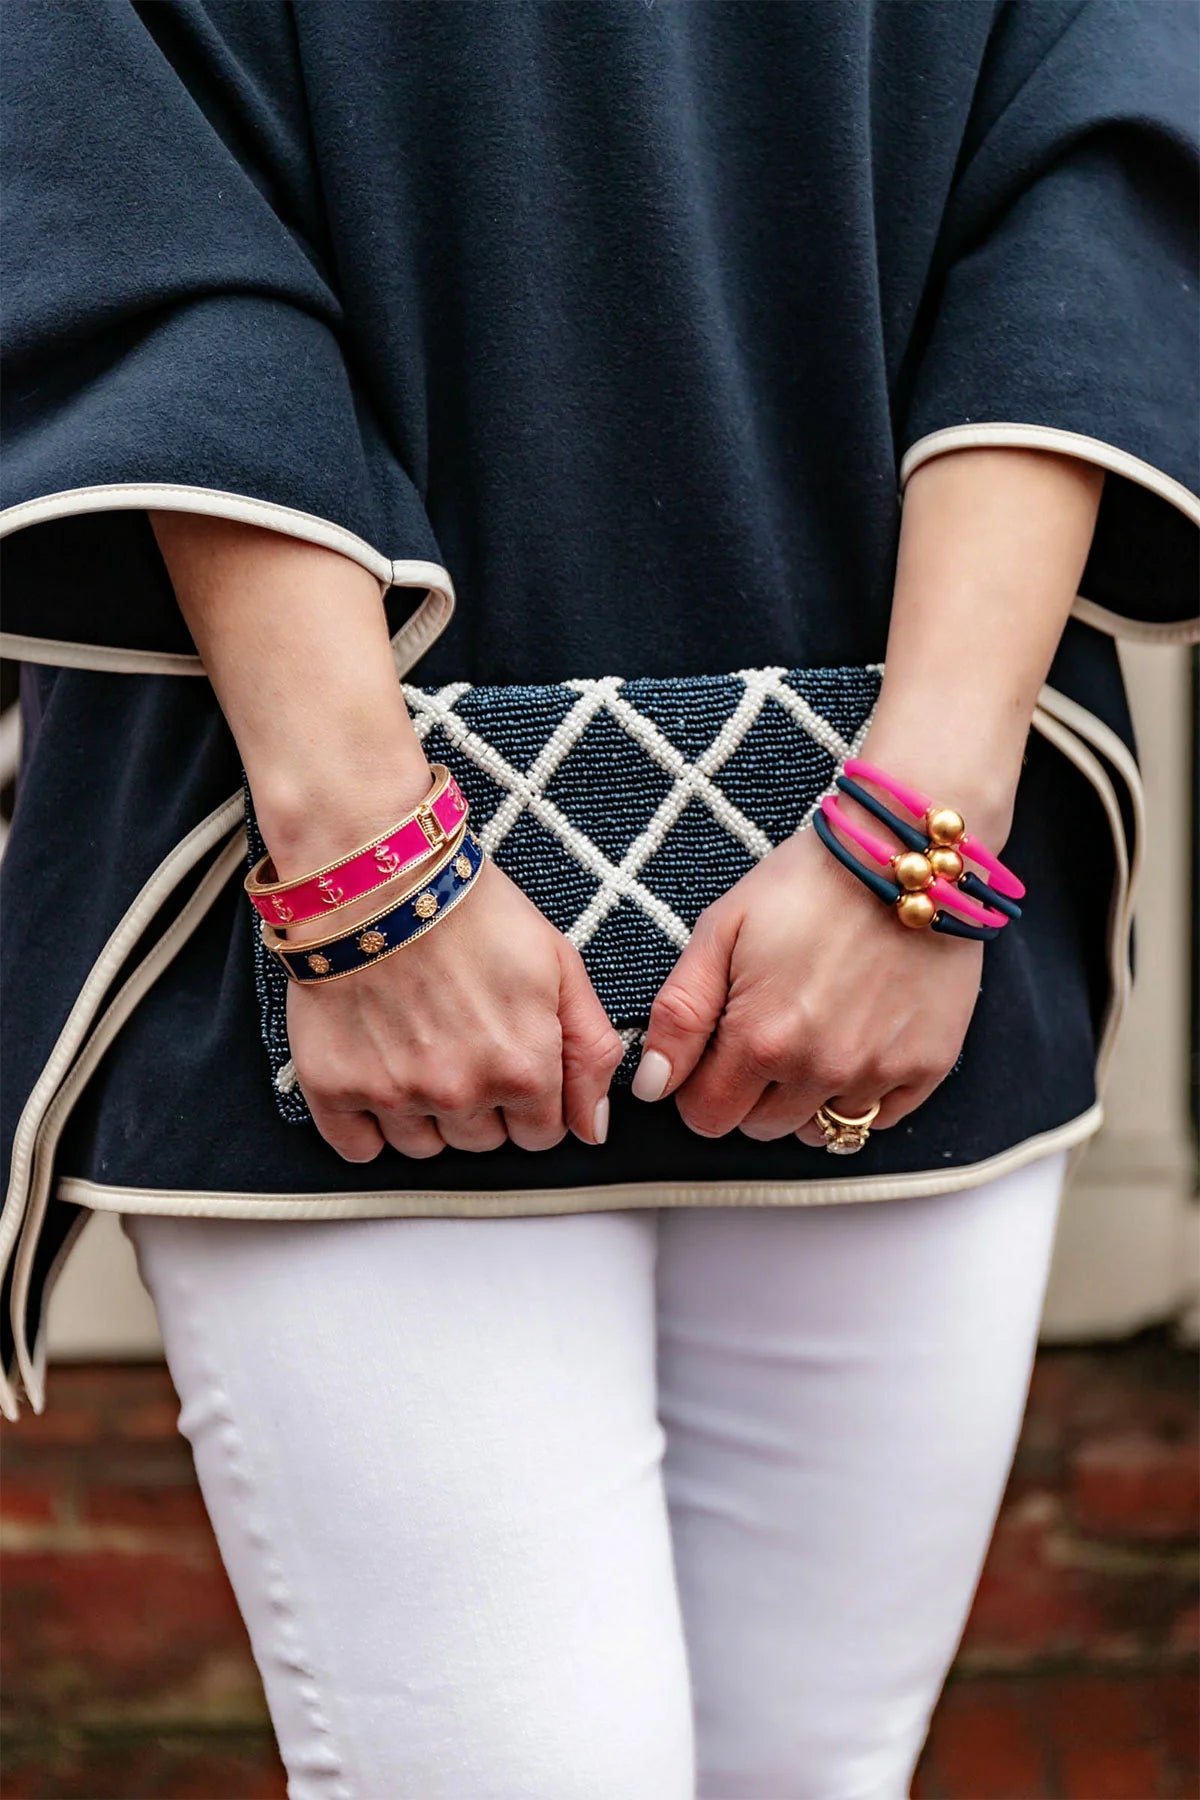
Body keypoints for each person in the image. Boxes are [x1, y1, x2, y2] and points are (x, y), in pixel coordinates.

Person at [2, 1, 1196, 1793]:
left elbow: (1097, 141)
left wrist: (923, 825)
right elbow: (102, 143)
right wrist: (362, 854)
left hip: (910, 877)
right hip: (307, 863)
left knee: (815, 1771)